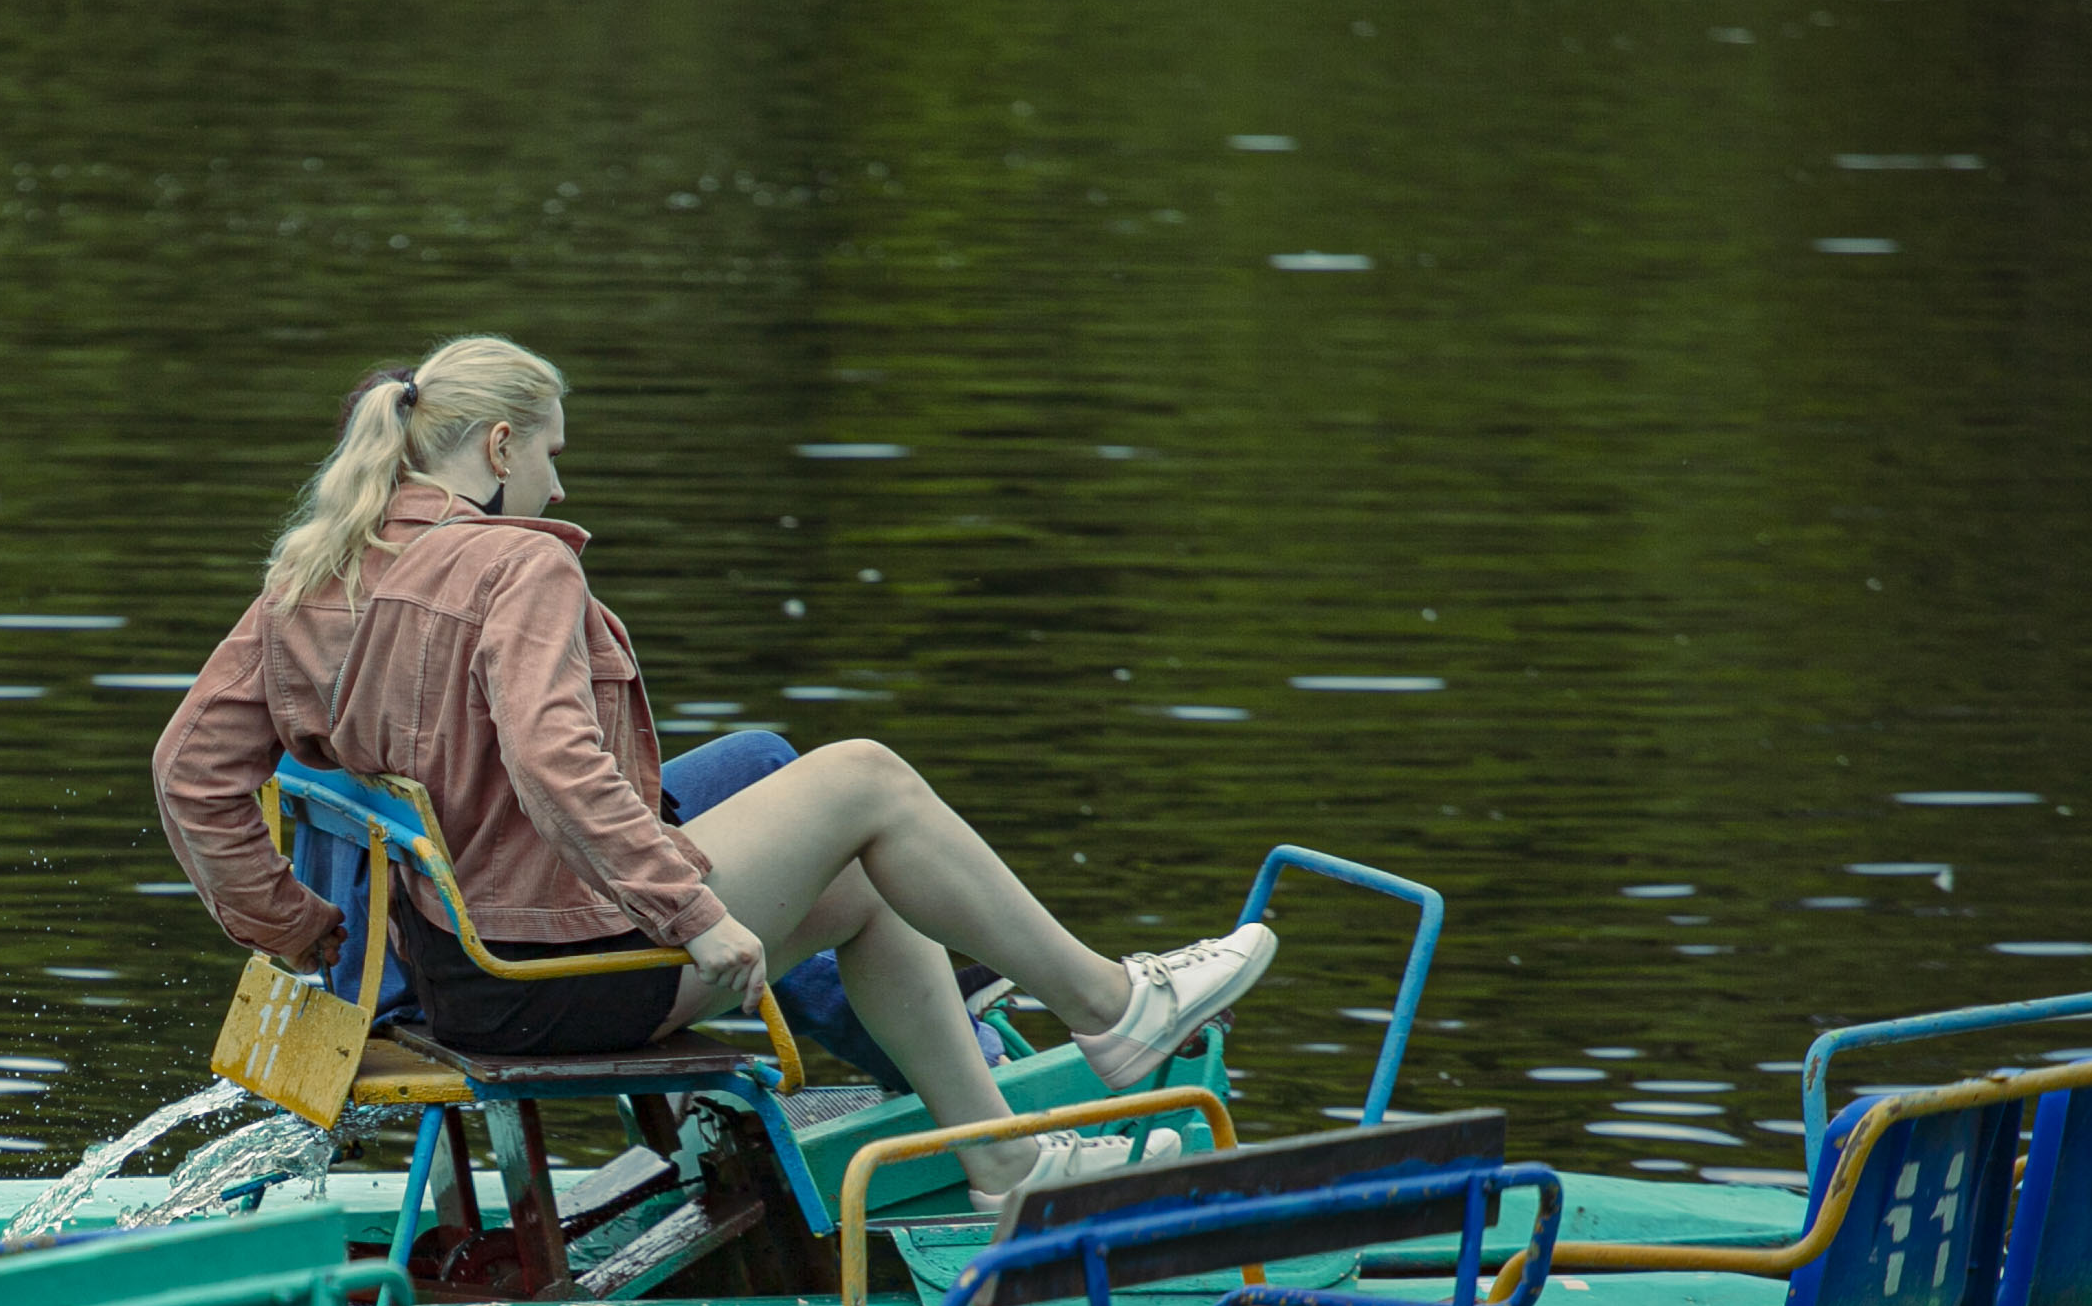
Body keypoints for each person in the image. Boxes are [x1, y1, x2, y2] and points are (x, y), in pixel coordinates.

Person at [151, 334, 1274, 1205]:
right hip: (555, 984)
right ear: (499, 447)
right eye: (550, 452)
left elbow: (189, 771)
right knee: (866, 776)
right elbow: (556, 764)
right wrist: (693, 913)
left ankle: (1000, 1164)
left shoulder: (313, 573)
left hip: (459, 978)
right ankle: (1112, 1005)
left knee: (864, 885)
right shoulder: (512, 567)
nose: (555, 480)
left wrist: (294, 928)